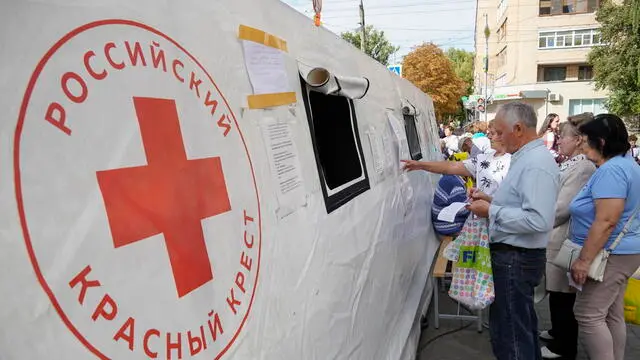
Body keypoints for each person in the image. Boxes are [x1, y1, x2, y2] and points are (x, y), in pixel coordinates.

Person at [466, 102, 559, 360]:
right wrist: (490, 200)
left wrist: (491, 212)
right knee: (519, 326)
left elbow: (538, 220)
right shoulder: (527, 158)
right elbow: (523, 206)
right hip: (514, 256)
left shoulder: (535, 163)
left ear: (517, 129)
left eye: (499, 131)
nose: (495, 137)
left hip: (516, 258)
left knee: (511, 334)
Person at [568, 113, 640, 360]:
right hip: (621, 251)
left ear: (601, 141)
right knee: (611, 313)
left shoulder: (613, 170)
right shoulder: (625, 164)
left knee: (588, 313)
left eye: (585, 140)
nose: (582, 145)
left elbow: (607, 220)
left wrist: (584, 260)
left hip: (611, 253)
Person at [539, 114, 596, 360]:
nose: (559, 141)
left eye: (564, 137)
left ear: (578, 140)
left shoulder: (583, 166)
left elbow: (563, 207)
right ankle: (556, 333)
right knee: (557, 291)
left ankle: (564, 347)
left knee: (564, 295)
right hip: (557, 235)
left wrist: (539, 222)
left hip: (564, 237)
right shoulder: (573, 162)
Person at [403, 120, 511, 200]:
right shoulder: (483, 158)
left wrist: (486, 201)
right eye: (489, 133)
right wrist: (421, 165)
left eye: (492, 133)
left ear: (504, 135)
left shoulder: (514, 161)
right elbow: (451, 166)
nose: (488, 136)